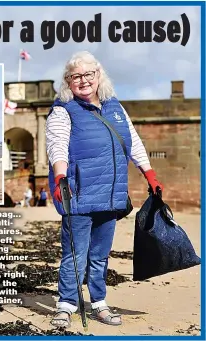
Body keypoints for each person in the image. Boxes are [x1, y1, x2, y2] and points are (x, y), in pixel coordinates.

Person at [46, 51, 164, 328]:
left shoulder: (115, 107)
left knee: (99, 256)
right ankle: (66, 306)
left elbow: (132, 141)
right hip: (78, 195)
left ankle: (99, 303)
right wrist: (60, 175)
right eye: (76, 76)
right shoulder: (63, 109)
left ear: (99, 75)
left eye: (89, 74)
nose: (83, 80)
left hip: (111, 196)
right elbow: (57, 145)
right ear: (68, 81)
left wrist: (150, 174)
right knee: (75, 255)